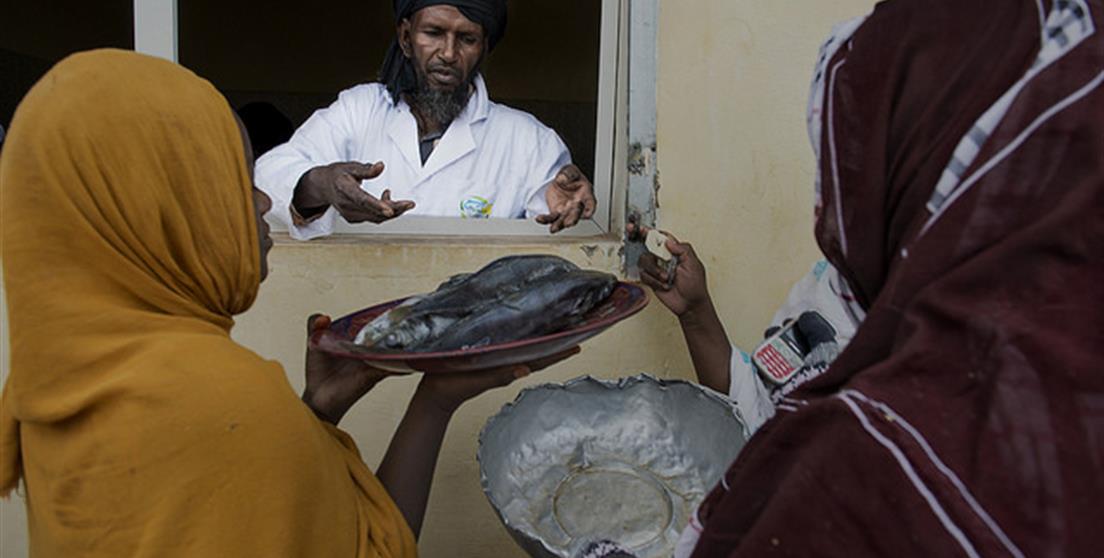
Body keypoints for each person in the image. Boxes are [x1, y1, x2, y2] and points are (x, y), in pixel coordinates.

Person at [0, 49, 579, 556]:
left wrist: (315, 415)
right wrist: (435, 401)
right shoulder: (221, 403)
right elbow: (374, 546)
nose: (257, 200)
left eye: (467, 36)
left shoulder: (63, 384)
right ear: (153, 212)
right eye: (226, 179)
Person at [637, 0, 1104, 556]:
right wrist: (698, 313)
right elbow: (759, 415)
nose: (835, 204)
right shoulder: (840, 295)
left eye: (871, 162)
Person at [256, 0, 597, 238]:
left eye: (466, 39)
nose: (448, 53)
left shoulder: (528, 139)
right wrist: (322, 184)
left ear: (484, 47)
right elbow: (269, 175)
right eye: (433, 33)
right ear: (405, 38)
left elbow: (552, 218)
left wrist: (570, 210)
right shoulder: (358, 110)